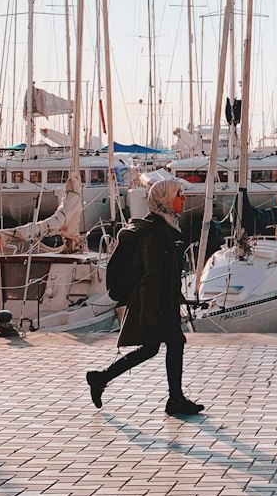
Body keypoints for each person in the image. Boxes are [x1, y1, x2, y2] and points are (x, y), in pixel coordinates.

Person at [86, 177, 204, 417]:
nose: (183, 199)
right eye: (178, 195)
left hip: (164, 301)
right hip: (155, 303)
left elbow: (166, 273)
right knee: (173, 343)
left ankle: (101, 378)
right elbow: (152, 275)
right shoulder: (156, 233)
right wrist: (149, 314)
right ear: (166, 200)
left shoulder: (168, 227)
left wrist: (176, 296)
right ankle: (175, 399)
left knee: (153, 348)